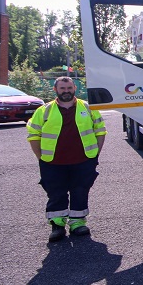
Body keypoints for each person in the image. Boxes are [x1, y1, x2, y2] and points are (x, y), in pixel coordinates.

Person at [26, 76, 106, 242]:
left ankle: (78, 223)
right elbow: (34, 135)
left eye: (69, 88)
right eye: (62, 88)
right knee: (56, 193)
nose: (66, 91)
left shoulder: (88, 107)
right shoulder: (44, 110)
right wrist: (40, 157)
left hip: (83, 159)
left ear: (74, 89)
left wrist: (95, 154)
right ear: (56, 90)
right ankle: (57, 225)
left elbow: (100, 131)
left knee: (81, 190)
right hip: (53, 161)